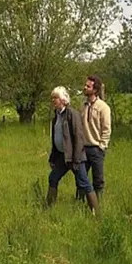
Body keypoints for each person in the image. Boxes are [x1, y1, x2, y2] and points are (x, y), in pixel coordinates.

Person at [46, 86, 100, 215]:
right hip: (62, 156)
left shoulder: (72, 114)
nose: (53, 100)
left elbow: (78, 138)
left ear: (63, 99)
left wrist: (76, 160)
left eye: (56, 98)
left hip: (75, 158)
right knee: (53, 178)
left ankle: (96, 213)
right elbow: (56, 139)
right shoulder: (56, 116)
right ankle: (48, 209)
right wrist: (52, 158)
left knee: (84, 183)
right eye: (52, 98)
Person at [76, 75, 112, 200]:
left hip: (96, 148)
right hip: (83, 148)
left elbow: (106, 129)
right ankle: (79, 203)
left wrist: (102, 146)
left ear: (95, 90)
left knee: (98, 179)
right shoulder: (83, 106)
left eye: (88, 86)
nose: (85, 88)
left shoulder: (103, 107)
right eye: (85, 85)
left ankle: (97, 205)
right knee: (81, 177)